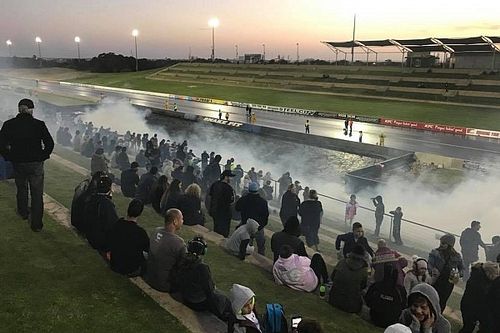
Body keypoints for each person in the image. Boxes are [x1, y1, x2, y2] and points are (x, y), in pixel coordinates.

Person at [0, 98, 54, 232]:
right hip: (35, 163)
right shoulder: (39, 124)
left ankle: (23, 212)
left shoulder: (9, 124)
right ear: (30, 110)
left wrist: (9, 156)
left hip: (18, 162)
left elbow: (1, 144)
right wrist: (43, 156)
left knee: (21, 188)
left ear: (19, 109)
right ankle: (36, 224)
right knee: (37, 194)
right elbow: (50, 144)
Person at [173, 236, 232, 320]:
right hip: (196, 303)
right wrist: (218, 312)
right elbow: (209, 292)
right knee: (225, 300)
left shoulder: (182, 259)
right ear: (203, 251)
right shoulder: (202, 268)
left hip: (184, 297)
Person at [145, 208, 186, 292]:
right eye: (181, 218)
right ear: (175, 221)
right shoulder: (179, 243)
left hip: (148, 277)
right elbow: (184, 266)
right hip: (163, 285)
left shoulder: (156, 231)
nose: (183, 221)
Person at [106, 199, 149, 277]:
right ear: (140, 213)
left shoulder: (117, 224)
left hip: (115, 265)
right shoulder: (140, 232)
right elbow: (147, 249)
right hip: (131, 269)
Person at [428, 234, 464, 313]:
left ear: (450, 245)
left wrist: (457, 274)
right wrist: (432, 272)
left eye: (443, 243)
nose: (441, 245)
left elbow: (462, 269)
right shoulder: (435, 252)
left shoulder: (457, 256)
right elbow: (429, 264)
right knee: (431, 298)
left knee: (442, 301)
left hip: (448, 283)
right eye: (441, 242)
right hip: (435, 280)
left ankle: (438, 317)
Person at [460, 261, 499, 333]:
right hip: (470, 308)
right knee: (468, 328)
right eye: (494, 274)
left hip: (470, 307)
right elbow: (480, 298)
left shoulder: (478, 276)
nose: (494, 277)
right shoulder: (479, 282)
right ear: (488, 273)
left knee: (468, 328)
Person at [84, 174, 119, 252]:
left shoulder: (90, 199)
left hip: (90, 236)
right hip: (100, 241)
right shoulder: (106, 204)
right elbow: (114, 225)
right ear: (109, 188)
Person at [328, 245, 368, 313]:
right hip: (351, 306)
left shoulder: (341, 262)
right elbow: (363, 286)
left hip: (334, 299)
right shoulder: (364, 270)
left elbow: (332, 277)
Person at [235, 182, 269, 255]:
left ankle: (247, 254)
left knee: (247, 242)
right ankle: (261, 257)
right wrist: (262, 225)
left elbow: (237, 208)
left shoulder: (244, 199)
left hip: (245, 224)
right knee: (261, 244)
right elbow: (266, 215)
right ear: (257, 190)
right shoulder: (263, 202)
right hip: (258, 226)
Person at [208, 170, 235, 238]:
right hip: (224, 212)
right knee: (223, 232)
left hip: (214, 210)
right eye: (230, 177)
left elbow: (210, 196)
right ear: (226, 177)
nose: (231, 179)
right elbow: (231, 201)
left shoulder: (214, 184)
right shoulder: (228, 188)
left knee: (216, 228)